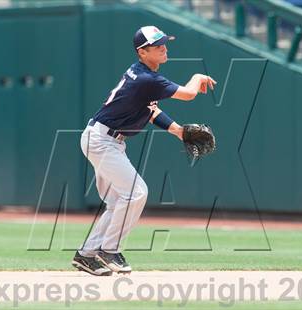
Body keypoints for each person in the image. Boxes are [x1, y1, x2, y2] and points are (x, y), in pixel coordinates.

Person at [71, 26, 216, 276]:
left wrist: (180, 132)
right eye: (157, 44)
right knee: (136, 193)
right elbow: (189, 94)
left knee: (118, 201)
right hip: (102, 141)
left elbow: (151, 112)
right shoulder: (148, 79)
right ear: (142, 51)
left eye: (164, 42)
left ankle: (87, 255)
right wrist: (197, 76)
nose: (164, 47)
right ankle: (109, 250)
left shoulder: (143, 75)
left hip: (104, 139)